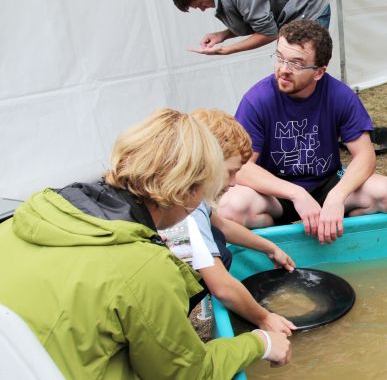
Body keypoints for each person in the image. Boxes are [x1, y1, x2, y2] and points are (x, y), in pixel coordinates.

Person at [0, 109, 291, 378]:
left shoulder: (22, 219)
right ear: (187, 190)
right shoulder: (146, 270)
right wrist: (259, 343)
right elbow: (186, 374)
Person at [218, 20, 387, 244]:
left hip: (326, 183)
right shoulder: (257, 99)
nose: (283, 69)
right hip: (276, 191)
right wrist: (296, 193)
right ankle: (282, 243)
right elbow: (242, 167)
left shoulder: (340, 95)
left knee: (386, 193)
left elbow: (365, 156)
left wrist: (338, 196)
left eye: (296, 64)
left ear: (319, 72)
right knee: (230, 207)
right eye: (280, 58)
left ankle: (339, 239)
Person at [159, 108, 297, 335]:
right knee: (220, 257)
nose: (234, 182)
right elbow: (223, 288)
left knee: (219, 243)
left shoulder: (188, 191)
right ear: (205, 163)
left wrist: (270, 248)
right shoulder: (188, 214)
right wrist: (264, 318)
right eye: (231, 172)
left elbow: (222, 225)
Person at [168, 0, 330, 55]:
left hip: (308, 8)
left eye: (200, 4)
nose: (203, 9)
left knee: (303, 74)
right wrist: (223, 35)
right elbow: (254, 19)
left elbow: (269, 33)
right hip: (290, 14)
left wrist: (226, 50)